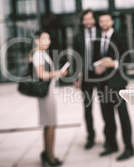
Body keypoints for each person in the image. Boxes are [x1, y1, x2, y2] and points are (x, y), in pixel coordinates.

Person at [93, 12, 134, 161]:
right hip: (102, 83)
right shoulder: (97, 40)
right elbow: (95, 59)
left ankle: (129, 148)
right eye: (101, 21)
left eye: (106, 20)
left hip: (117, 83)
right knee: (107, 116)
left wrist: (114, 64)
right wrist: (97, 67)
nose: (104, 23)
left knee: (123, 116)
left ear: (111, 22)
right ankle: (112, 145)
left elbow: (128, 57)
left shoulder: (120, 37)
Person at [31, 30, 67, 166]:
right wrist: (57, 72)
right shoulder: (38, 55)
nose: (48, 41)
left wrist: (57, 74)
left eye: (49, 38)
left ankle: (48, 154)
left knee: (49, 124)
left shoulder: (42, 54)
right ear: (36, 40)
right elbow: (41, 74)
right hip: (46, 94)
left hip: (49, 92)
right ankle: (49, 157)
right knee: (50, 124)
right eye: (44, 39)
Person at [72, 9, 104, 150]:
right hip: (86, 76)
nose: (88, 21)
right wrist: (75, 76)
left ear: (94, 20)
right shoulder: (77, 36)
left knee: (105, 107)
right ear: (82, 21)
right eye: (85, 19)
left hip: (102, 75)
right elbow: (75, 57)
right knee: (87, 108)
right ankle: (90, 137)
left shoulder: (101, 32)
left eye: (90, 19)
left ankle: (108, 137)